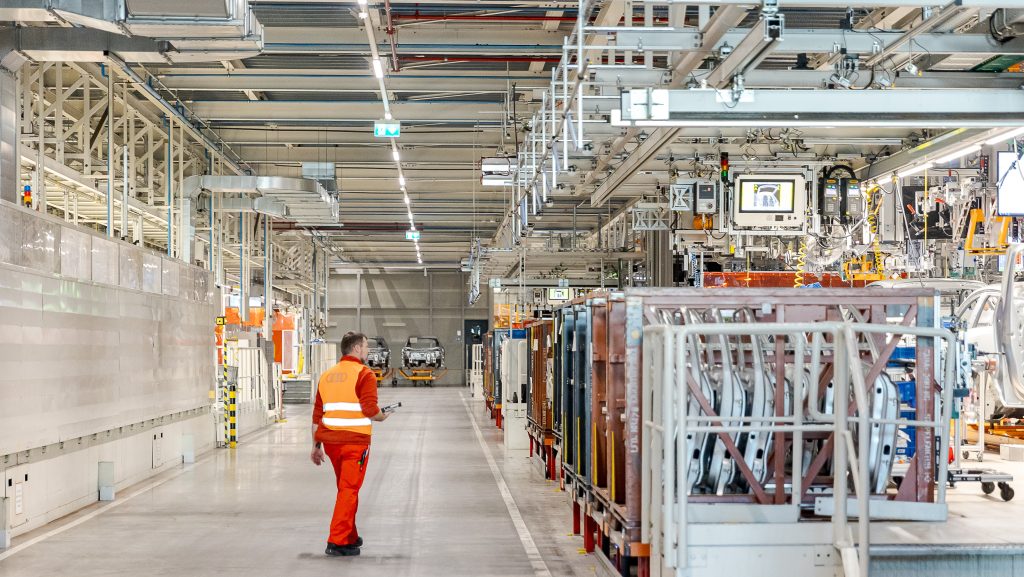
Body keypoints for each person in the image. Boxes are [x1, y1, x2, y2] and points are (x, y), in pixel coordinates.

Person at [310, 331, 389, 557]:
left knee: (346, 488)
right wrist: (382, 416)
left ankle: (349, 535)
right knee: (349, 490)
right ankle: (336, 541)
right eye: (366, 346)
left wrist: (315, 446)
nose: (367, 351)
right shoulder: (364, 374)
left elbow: (317, 415)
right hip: (355, 442)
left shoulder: (327, 375)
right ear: (356, 349)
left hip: (331, 443)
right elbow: (370, 410)